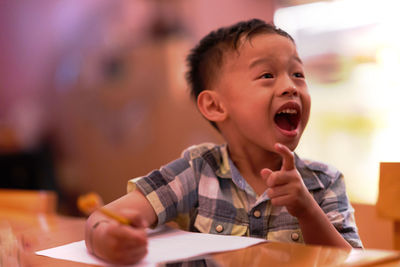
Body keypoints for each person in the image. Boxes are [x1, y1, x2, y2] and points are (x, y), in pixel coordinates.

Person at [85, 18, 362, 265]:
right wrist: (110, 239)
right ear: (215, 106)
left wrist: (307, 210)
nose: (291, 86)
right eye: (267, 75)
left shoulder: (324, 182)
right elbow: (103, 218)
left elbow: (354, 261)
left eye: (298, 74)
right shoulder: (196, 171)